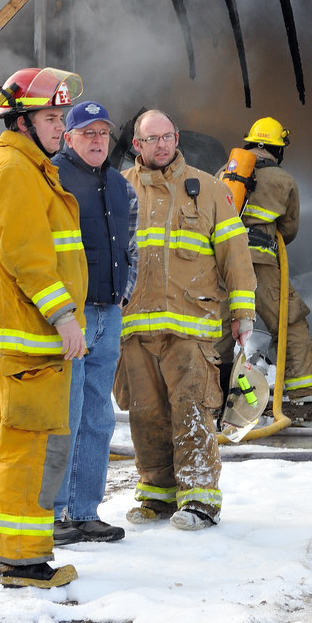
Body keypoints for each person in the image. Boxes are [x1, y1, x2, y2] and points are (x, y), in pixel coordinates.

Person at [0, 67, 88, 588]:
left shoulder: (19, 166)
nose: (61, 126)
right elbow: (28, 258)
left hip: (12, 336)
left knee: (7, 444)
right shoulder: (17, 170)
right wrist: (64, 316)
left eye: (61, 117)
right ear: (22, 122)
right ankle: (21, 560)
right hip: (29, 338)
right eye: (51, 118)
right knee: (30, 446)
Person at [115, 109, 256, 531]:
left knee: (192, 409)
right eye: (151, 139)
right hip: (135, 326)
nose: (161, 145)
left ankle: (200, 499)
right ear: (137, 145)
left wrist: (243, 313)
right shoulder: (119, 188)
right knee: (145, 413)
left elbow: (235, 255)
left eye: (167, 137)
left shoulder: (209, 189)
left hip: (190, 328)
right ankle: (157, 493)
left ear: (176, 139)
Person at [51, 101, 138, 545]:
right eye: (87, 133)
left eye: (103, 133)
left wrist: (125, 292)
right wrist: (60, 311)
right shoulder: (52, 178)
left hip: (108, 313)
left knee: (99, 416)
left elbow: (133, 245)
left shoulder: (121, 186)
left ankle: (85, 512)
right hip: (72, 316)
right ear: (68, 138)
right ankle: (53, 515)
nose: (98, 140)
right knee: (65, 415)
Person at [215, 117, 312, 405]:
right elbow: (289, 230)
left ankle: (211, 390)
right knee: (289, 320)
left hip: (221, 261)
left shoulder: (223, 172)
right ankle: (304, 388)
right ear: (278, 149)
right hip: (259, 263)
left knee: (217, 327)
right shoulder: (284, 181)